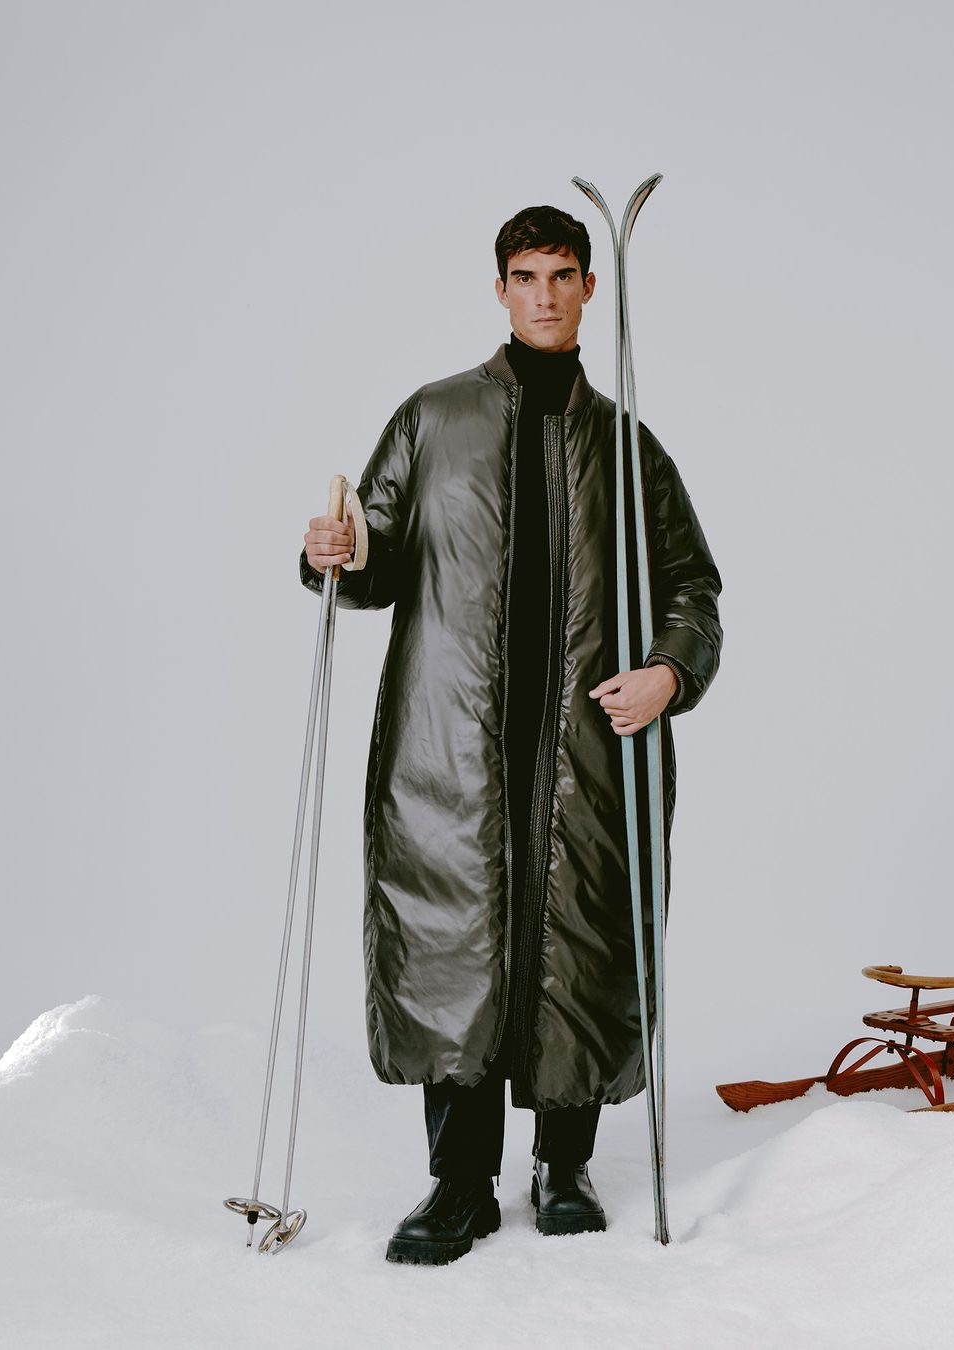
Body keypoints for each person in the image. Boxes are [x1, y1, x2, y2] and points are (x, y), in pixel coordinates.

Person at [301, 204, 722, 1265]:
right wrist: (336, 552)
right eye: (525, 276)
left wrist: (669, 673)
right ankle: (459, 1184)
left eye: (562, 275)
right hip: (451, 744)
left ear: (589, 289)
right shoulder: (433, 419)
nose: (544, 294)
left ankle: (563, 1165)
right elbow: (375, 557)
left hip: (590, 744)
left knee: (578, 941)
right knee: (456, 944)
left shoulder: (629, 447)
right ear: (499, 290)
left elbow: (692, 588)